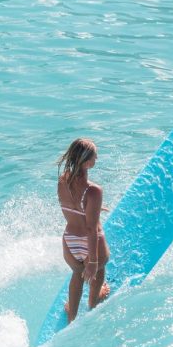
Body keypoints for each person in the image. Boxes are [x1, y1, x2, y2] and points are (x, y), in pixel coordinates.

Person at [57, 137, 110, 323]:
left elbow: (70, 206)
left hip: (69, 239)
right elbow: (90, 228)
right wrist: (93, 262)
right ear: (87, 163)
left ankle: (71, 315)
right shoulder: (94, 191)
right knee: (99, 269)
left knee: (77, 274)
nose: (97, 159)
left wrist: (92, 209)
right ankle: (93, 303)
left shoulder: (62, 181)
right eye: (95, 157)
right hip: (88, 241)